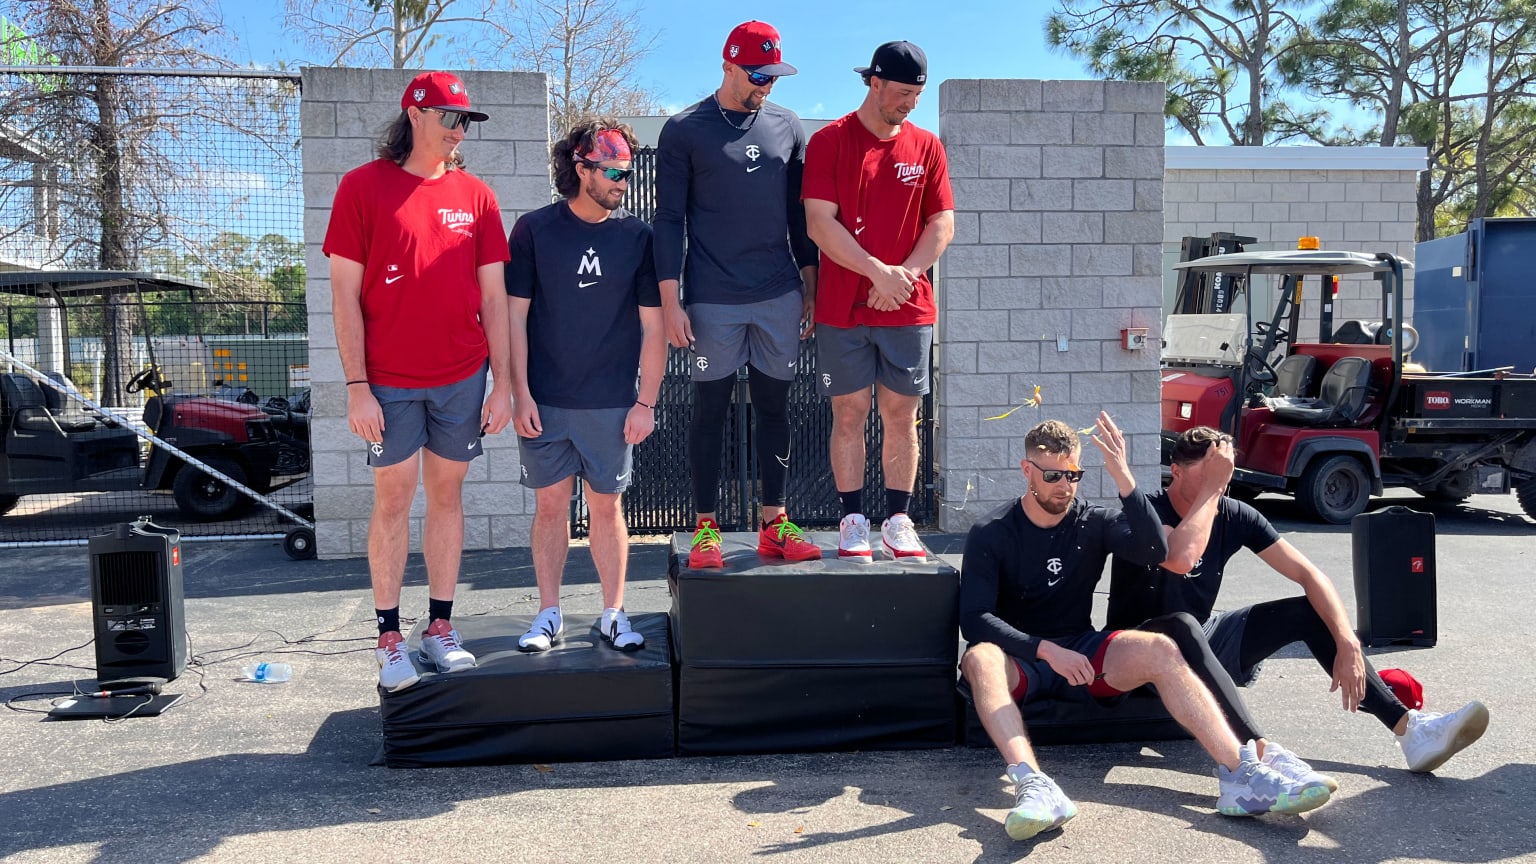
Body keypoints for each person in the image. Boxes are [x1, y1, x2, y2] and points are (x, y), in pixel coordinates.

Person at [960, 415, 1331, 842]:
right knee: (979, 657)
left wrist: (1124, 478)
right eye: (1053, 475)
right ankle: (1034, 785)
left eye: (1074, 474)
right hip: (1023, 658)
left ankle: (1239, 774)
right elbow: (975, 619)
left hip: (1082, 650)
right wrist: (1045, 650)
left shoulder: (1093, 521)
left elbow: (1157, 549)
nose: (1065, 485)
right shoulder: (992, 531)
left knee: (1159, 647)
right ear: (1028, 471)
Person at [1108, 426, 1490, 775]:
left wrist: (1347, 642)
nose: (1221, 481)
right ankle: (1259, 753)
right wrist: (1211, 489)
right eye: (1210, 471)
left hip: (1203, 640)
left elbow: (1311, 575)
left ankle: (1410, 730)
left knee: (1310, 611)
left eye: (1225, 471)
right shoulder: (1149, 513)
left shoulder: (1233, 514)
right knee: (1180, 625)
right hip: (1139, 651)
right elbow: (1181, 558)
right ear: (1176, 471)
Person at [325, 71, 512, 692]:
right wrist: (356, 385)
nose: (460, 131)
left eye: (466, 122)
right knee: (394, 500)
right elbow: (344, 297)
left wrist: (503, 384)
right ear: (416, 114)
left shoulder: (478, 196)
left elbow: (494, 299)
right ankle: (387, 635)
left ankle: (439, 627)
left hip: (463, 377)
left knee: (448, 499)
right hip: (389, 383)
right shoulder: (361, 188)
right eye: (451, 118)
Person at [653, 21, 822, 568]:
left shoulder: (788, 126)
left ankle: (776, 523)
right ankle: (706, 529)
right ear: (727, 65)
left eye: (773, 76)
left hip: (779, 294)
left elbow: (801, 218)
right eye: (757, 75)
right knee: (709, 411)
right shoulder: (684, 130)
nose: (766, 86)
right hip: (712, 298)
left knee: (776, 409)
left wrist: (811, 285)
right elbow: (669, 220)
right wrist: (671, 301)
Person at [506, 119, 665, 654]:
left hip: (613, 404)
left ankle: (613, 614)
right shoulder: (532, 230)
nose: (624, 181)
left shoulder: (637, 237)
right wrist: (519, 393)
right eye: (614, 171)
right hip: (545, 402)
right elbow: (514, 320)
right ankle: (548, 615)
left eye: (627, 170)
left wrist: (646, 400)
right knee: (550, 507)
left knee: (606, 506)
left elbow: (655, 326)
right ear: (581, 168)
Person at [803, 40, 954, 563]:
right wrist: (876, 273)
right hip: (845, 305)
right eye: (903, 92)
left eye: (918, 94)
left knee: (901, 414)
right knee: (849, 412)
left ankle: (898, 521)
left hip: (908, 307)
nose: (910, 103)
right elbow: (819, 223)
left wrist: (904, 277)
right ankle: (852, 520)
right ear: (874, 82)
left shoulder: (928, 147)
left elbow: (942, 222)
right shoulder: (829, 141)